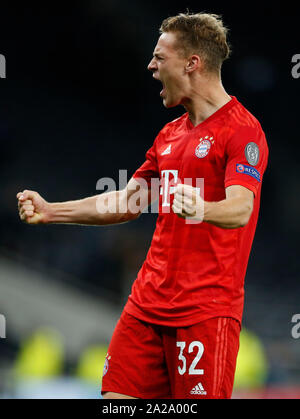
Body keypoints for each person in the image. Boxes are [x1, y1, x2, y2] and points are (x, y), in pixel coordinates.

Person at [17, 12, 269, 399]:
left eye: (159, 57)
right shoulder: (169, 135)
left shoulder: (243, 131)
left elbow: (241, 209)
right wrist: (52, 211)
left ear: (192, 63)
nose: (150, 65)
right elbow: (128, 201)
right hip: (145, 307)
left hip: (204, 314)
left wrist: (201, 207)